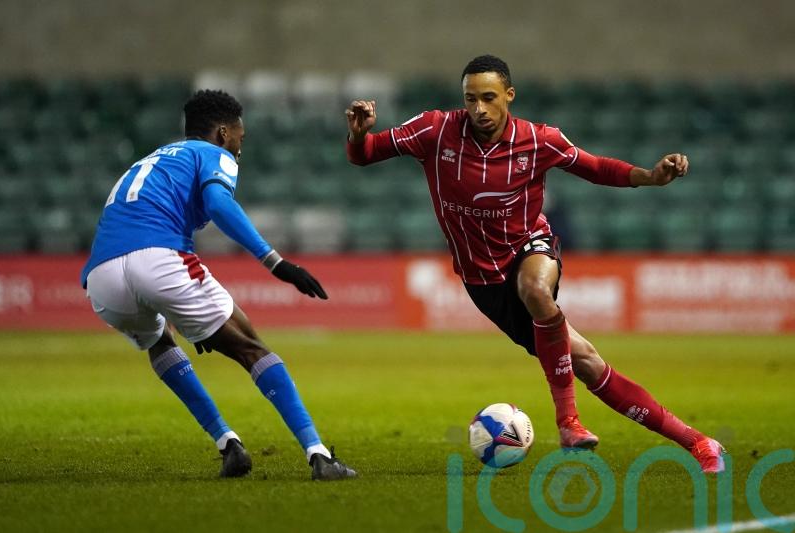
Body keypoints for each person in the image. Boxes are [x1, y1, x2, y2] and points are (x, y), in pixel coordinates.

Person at [345, 55, 724, 472]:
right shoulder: (435, 129)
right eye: (471, 99)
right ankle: (700, 442)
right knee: (588, 362)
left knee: (536, 290)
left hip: (531, 247)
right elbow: (364, 155)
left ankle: (568, 421)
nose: (479, 109)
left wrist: (649, 177)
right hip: (482, 282)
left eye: (489, 98)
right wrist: (358, 135)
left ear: (509, 95)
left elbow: (595, 167)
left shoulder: (539, 139)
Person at [81, 89, 355, 480]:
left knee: (160, 342)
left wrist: (182, 307)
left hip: (102, 277)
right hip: (158, 257)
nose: (238, 150)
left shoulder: (151, 159)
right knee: (250, 346)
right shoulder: (211, 154)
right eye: (240, 140)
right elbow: (219, 205)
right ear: (224, 133)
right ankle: (319, 456)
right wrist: (275, 263)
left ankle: (228, 444)